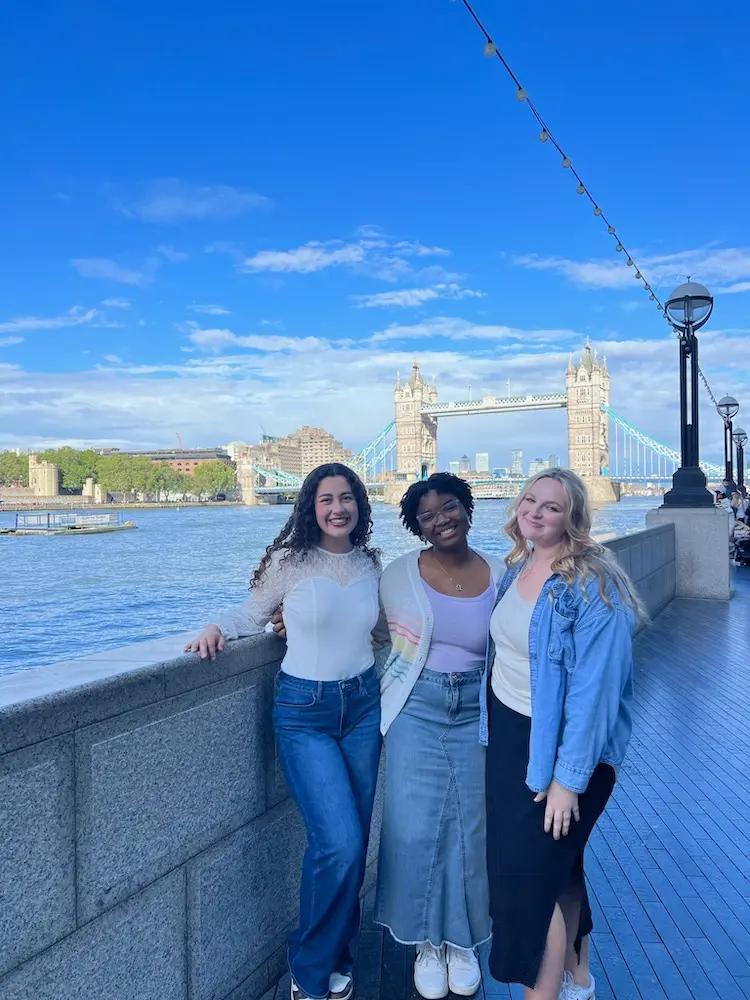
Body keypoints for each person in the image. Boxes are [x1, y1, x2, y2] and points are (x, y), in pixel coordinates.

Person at [184, 463, 386, 1000]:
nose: (337, 508)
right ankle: (309, 969)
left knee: (355, 840)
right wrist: (213, 627)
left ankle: (337, 952)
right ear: (310, 507)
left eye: (347, 498)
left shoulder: (370, 563)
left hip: (364, 706)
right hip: (305, 711)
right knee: (337, 842)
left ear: (360, 505)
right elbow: (250, 614)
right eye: (326, 499)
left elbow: (383, 627)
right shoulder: (289, 562)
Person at [481, 468, 643, 1000]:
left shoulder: (596, 584)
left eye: (551, 506)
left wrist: (567, 781)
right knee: (560, 865)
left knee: (529, 884)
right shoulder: (519, 565)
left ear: (573, 517)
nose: (535, 511)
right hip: (511, 737)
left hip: (569, 753)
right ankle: (578, 980)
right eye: (530, 499)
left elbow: (595, 695)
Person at [376, 473, 504, 1000]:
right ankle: (425, 942)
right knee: (413, 825)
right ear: (415, 526)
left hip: (480, 708)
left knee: (471, 828)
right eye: (426, 515)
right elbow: (363, 621)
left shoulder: (502, 571)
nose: (440, 520)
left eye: (449, 507)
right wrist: (288, 616)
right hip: (416, 706)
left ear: (467, 508)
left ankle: (462, 940)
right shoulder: (398, 574)